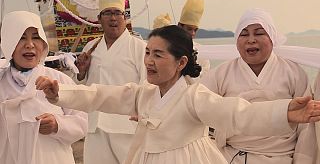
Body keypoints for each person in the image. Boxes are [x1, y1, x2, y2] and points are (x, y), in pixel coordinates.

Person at [36, 25, 320, 164]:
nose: (148, 61)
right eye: (147, 53)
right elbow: (100, 95)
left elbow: (237, 112)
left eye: (158, 54)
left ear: (181, 62)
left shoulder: (194, 97)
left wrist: (284, 113)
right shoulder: (143, 94)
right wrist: (62, 92)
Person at [200, 8, 317, 163]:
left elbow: (306, 128)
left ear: (272, 37)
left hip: (281, 157)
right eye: (244, 34)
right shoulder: (220, 73)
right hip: (231, 156)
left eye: (259, 33)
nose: (251, 39)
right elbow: (200, 110)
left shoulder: (294, 73)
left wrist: (302, 160)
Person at [0, 11, 88, 164]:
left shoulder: (60, 80)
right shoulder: (2, 83)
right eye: (21, 38)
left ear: (43, 43)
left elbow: (83, 121)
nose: (29, 44)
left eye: (35, 37)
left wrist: (57, 125)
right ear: (8, 43)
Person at [74, 0, 146, 163]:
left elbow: (148, 85)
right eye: (107, 13)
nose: (113, 18)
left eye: (117, 13)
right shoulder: (91, 47)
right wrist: (81, 72)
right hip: (95, 125)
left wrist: (144, 114)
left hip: (126, 126)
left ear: (124, 17)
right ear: (99, 18)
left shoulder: (139, 47)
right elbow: (84, 88)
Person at [177, 0, 210, 77]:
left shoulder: (200, 51)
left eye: (195, 30)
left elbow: (205, 77)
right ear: (179, 26)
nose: (193, 33)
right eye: (189, 29)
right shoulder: (168, 48)